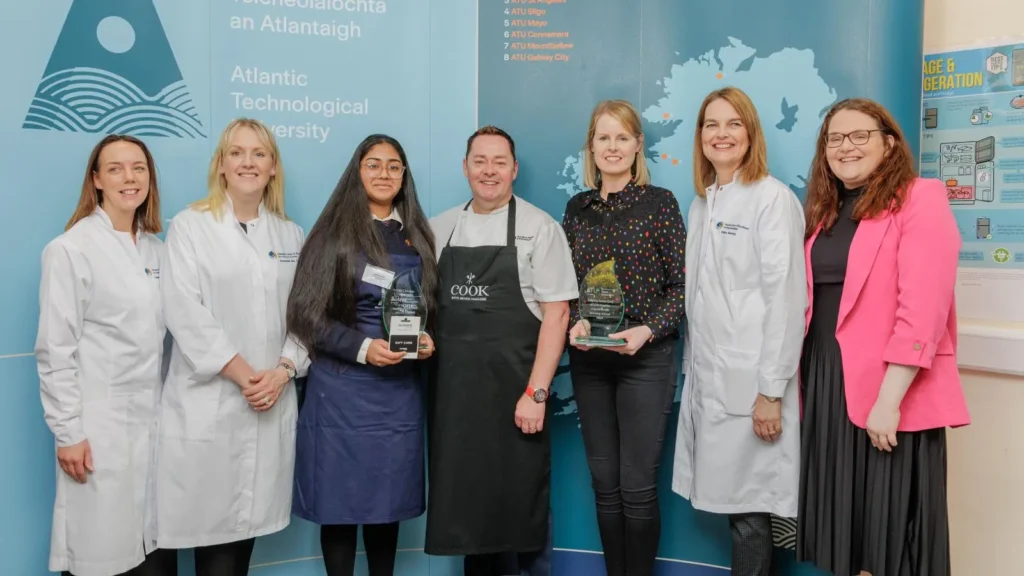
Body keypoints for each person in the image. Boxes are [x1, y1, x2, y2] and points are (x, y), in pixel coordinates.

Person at [796, 98, 970, 576]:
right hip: (830, 382)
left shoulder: (921, 197)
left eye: (859, 135)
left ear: (888, 141)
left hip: (892, 391)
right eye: (835, 138)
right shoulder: (825, 212)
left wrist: (889, 399)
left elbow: (923, 310)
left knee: (886, 540)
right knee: (846, 535)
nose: (845, 147)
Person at [155, 118, 307, 575]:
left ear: (273, 167)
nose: (247, 162)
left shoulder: (289, 235)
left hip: (271, 397)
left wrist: (282, 371)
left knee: (241, 543)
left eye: (259, 153)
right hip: (211, 403)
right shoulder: (189, 226)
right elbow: (185, 313)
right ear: (221, 165)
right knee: (210, 540)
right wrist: (247, 377)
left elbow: (304, 316)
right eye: (236, 153)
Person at [424, 126, 577, 576]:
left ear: (514, 169)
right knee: (471, 518)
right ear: (466, 167)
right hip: (456, 403)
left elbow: (558, 316)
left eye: (498, 162)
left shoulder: (540, 228)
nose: (488, 171)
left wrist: (536, 393)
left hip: (517, 398)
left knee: (521, 508)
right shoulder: (439, 228)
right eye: (479, 161)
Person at [286, 134, 438, 576]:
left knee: (384, 503)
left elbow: (428, 305)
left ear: (404, 176)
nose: (384, 173)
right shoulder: (330, 235)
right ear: (357, 171)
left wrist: (426, 338)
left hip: (398, 396)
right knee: (340, 504)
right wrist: (364, 348)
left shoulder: (417, 236)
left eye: (394, 166)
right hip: (341, 394)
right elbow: (303, 314)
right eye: (374, 164)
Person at [671, 87, 807, 576]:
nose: (721, 134)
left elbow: (788, 302)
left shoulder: (772, 200)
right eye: (711, 125)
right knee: (740, 510)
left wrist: (771, 391)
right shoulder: (702, 204)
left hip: (753, 385)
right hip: (713, 380)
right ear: (700, 137)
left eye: (733, 124)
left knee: (751, 513)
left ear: (750, 134)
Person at [35, 134, 177, 576]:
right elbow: (55, 349)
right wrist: (68, 431)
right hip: (98, 431)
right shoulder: (70, 250)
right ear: (96, 180)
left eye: (138, 168)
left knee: (152, 553)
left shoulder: (158, 250)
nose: (129, 178)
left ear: (150, 178)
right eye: (115, 169)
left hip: (154, 428)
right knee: (100, 553)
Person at [561, 99, 686, 576]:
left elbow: (681, 285)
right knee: (604, 484)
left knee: (636, 487)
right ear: (591, 147)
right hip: (591, 363)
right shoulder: (577, 208)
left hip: (646, 361)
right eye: (603, 137)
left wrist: (648, 330)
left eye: (622, 137)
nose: (612, 147)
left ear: (637, 146)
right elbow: (567, 284)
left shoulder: (660, 204)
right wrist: (575, 319)